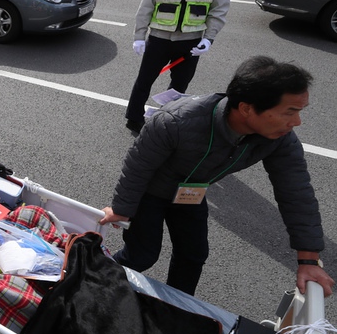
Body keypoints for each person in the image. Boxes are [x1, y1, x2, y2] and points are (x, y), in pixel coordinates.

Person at [99, 56, 333, 298]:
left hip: (190, 194)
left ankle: (179, 306)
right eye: (290, 112)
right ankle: (96, 280)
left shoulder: (280, 138)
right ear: (246, 108)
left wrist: (309, 259)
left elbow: (296, 192)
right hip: (151, 192)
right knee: (142, 254)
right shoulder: (176, 120)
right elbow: (138, 166)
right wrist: (122, 208)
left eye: (299, 111)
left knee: (194, 254)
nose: (297, 122)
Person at [124, 0, 231, 133]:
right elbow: (146, 6)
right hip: (159, 39)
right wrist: (139, 36)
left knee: (179, 87)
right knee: (144, 81)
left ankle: (166, 121)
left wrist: (208, 39)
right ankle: (134, 119)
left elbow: (219, 10)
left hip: (191, 42)